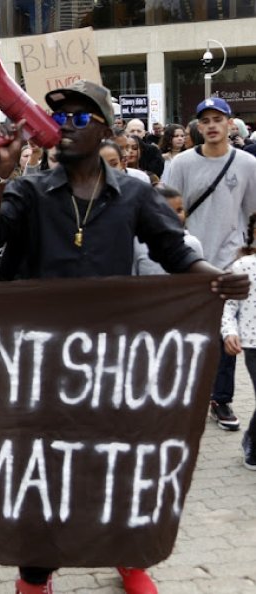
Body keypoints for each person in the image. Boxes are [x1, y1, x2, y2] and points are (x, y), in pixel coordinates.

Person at [0, 79, 248, 594]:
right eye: (60, 119)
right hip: (40, 362)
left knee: (115, 465)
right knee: (43, 473)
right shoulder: (29, 188)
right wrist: (1, 174)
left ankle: (126, 557)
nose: (67, 127)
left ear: (105, 128)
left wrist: (215, 277)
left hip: (111, 361)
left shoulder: (135, 192)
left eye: (80, 118)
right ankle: (35, 575)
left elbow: (175, 250)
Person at [167, 97, 256, 432]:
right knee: (188, 332)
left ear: (230, 124)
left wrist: (246, 255)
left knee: (225, 334)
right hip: (189, 261)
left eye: (219, 119)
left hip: (230, 261)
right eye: (206, 120)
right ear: (198, 127)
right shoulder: (182, 164)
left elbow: (252, 212)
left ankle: (220, 398)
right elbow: (168, 211)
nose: (213, 125)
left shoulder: (247, 163)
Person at [221, 212, 256, 469]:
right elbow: (228, 306)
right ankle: (252, 447)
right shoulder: (242, 267)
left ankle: (251, 438)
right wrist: (229, 332)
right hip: (253, 342)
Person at [133, 185, 203, 275]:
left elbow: (197, 278)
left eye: (179, 210)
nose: (175, 215)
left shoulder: (193, 243)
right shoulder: (138, 244)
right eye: (168, 211)